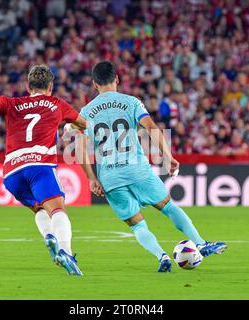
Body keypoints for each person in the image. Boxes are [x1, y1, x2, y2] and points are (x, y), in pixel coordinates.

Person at [68, 61, 226, 272]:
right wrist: (168, 156)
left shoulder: (86, 112)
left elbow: (79, 149)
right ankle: (200, 243)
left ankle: (162, 257)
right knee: (169, 207)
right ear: (117, 79)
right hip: (137, 170)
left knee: (137, 224)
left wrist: (91, 178)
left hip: (110, 177)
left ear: (95, 84)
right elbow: (151, 127)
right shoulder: (131, 102)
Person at [0, 65, 87, 276]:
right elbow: (85, 125)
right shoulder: (57, 104)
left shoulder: (14, 104)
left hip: (12, 172)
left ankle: (49, 236)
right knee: (57, 209)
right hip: (39, 166)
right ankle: (65, 251)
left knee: (40, 209)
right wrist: (71, 126)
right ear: (51, 86)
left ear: (28, 86)